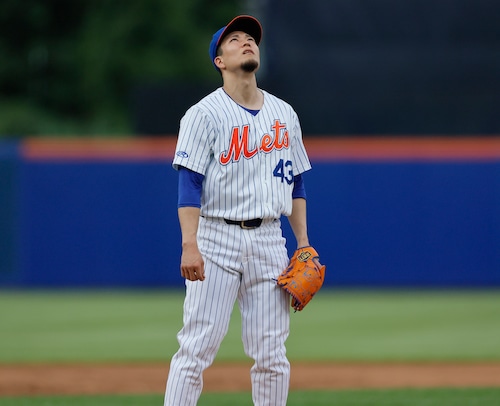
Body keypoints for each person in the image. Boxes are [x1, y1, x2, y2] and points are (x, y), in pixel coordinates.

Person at [164, 15, 314, 406]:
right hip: (216, 237)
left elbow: (296, 183)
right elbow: (189, 184)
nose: (247, 42)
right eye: (235, 40)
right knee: (196, 348)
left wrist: (303, 243)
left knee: (271, 355)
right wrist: (189, 244)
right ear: (220, 60)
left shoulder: (285, 114)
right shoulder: (203, 114)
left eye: (251, 38)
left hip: (269, 239)